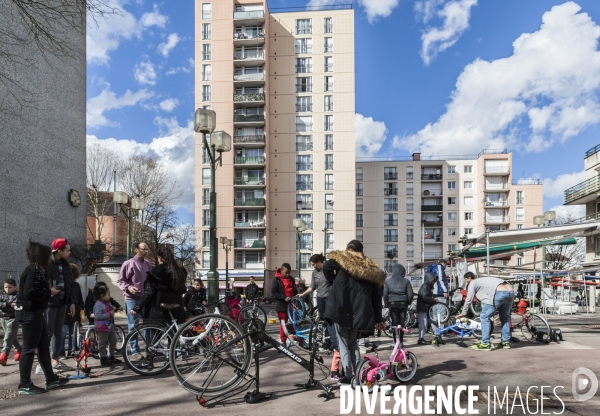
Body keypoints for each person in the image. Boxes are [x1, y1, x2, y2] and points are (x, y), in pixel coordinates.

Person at [323, 240, 385, 385]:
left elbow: (327, 266)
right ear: (362, 252)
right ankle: (358, 374)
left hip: (340, 308)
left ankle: (348, 376)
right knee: (353, 343)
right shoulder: (370, 269)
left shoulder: (343, 262)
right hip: (359, 313)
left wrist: (335, 282)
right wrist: (378, 319)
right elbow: (377, 298)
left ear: (347, 249)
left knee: (343, 343)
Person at [15, 240, 69, 394]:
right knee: (28, 349)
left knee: (43, 346)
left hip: (36, 313)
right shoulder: (33, 270)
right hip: (30, 313)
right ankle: (24, 384)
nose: (49, 259)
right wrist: (49, 292)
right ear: (41, 257)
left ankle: (51, 379)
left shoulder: (36, 270)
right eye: (47, 256)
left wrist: (47, 291)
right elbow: (29, 293)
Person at [41, 238, 76, 374]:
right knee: (48, 333)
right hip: (49, 304)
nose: (69, 252)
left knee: (58, 332)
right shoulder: (47, 264)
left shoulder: (66, 265)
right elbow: (41, 283)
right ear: (59, 251)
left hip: (62, 303)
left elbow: (70, 285)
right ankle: (43, 362)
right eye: (67, 250)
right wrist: (48, 291)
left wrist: (72, 302)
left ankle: (54, 359)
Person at [130, 247, 187, 324]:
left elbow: (149, 293)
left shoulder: (156, 272)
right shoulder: (180, 272)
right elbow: (183, 290)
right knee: (175, 333)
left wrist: (137, 307)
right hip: (177, 309)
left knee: (157, 334)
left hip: (158, 310)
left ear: (160, 258)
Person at [456, 276, 515, 351]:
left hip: (498, 292)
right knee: (505, 318)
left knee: (484, 317)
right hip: (511, 291)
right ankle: (505, 342)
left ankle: (485, 343)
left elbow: (468, 299)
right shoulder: (482, 281)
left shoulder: (472, 283)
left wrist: (463, 313)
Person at [117, 242, 151, 360]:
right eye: (144, 249)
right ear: (136, 249)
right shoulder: (128, 264)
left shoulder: (148, 264)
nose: (146, 251)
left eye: (147, 249)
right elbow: (120, 281)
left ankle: (149, 349)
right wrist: (129, 287)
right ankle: (134, 352)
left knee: (148, 325)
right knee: (133, 326)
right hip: (131, 299)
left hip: (145, 299)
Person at [383, 264, 414, 345]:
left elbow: (385, 294)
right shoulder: (406, 281)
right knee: (402, 323)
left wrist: (386, 304)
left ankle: (395, 341)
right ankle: (401, 341)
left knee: (394, 323)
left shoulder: (388, 281)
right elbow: (410, 294)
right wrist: (408, 303)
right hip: (403, 303)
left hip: (392, 303)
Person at [92, 284, 122, 366]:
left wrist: (113, 308)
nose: (109, 296)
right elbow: (97, 316)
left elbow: (109, 308)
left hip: (109, 325)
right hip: (102, 326)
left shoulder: (106, 302)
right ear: (102, 296)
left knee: (113, 340)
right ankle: (103, 358)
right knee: (102, 343)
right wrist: (109, 314)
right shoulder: (98, 304)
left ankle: (111, 356)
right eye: (108, 295)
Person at [60, 264, 85, 357]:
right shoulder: (63, 285)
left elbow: (80, 299)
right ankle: (61, 351)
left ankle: (71, 350)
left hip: (75, 314)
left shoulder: (76, 285)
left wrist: (81, 308)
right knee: (63, 334)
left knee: (73, 334)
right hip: (65, 314)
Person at [271, 263, 297, 345]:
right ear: (281, 271)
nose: (287, 274)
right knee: (283, 324)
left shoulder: (291, 279)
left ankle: (300, 340)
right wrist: (283, 297)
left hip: (292, 304)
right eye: (286, 273)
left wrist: (296, 298)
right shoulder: (276, 279)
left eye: (289, 272)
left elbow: (294, 289)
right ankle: (283, 342)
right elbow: (274, 292)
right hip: (282, 305)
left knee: (296, 322)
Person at [1, 278, 21, 365]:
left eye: (10, 287)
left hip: (13, 319)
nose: (7, 289)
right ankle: (19, 350)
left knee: (8, 337)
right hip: (3, 318)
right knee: (11, 337)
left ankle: (4, 355)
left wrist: (4, 304)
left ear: (15, 287)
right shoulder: (2, 295)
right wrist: (9, 304)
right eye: (6, 287)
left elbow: (17, 305)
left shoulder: (18, 295)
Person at [417, 272, 439, 345]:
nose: (434, 282)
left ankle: (437, 335)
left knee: (434, 321)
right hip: (423, 308)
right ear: (429, 279)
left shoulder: (428, 286)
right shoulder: (425, 286)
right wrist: (433, 300)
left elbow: (427, 297)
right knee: (424, 323)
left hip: (427, 307)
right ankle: (421, 338)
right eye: (433, 280)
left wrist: (432, 300)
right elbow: (425, 297)